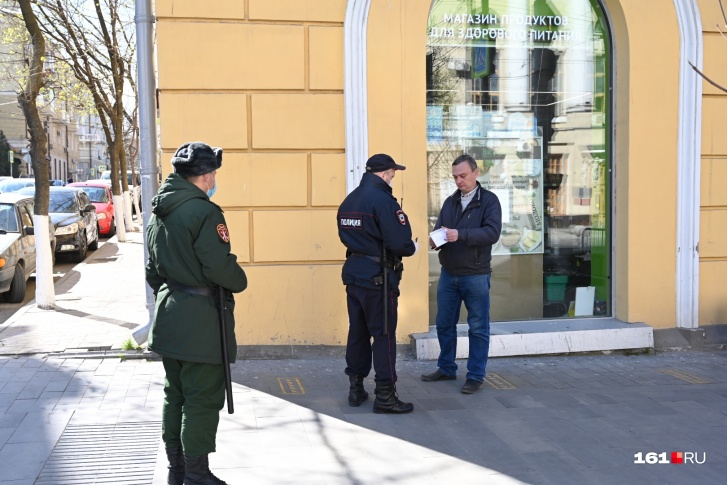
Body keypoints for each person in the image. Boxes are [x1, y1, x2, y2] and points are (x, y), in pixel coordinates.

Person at [146, 141, 247, 485]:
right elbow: (218, 266)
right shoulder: (204, 212)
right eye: (213, 172)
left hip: (169, 315)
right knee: (202, 399)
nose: (215, 178)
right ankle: (196, 474)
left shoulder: (160, 209)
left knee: (174, 394)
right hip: (201, 321)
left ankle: (177, 469)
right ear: (205, 176)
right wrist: (239, 278)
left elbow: (152, 269)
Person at [337, 153, 418, 414]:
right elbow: (400, 244)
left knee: (358, 332)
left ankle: (356, 387)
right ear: (384, 174)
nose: (393, 178)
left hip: (354, 275)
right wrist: (413, 246)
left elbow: (346, 236)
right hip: (378, 279)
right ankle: (385, 395)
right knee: (383, 336)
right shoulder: (384, 202)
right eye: (392, 174)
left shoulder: (349, 200)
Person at [421, 154, 502, 394]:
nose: (459, 181)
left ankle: (476, 375)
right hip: (449, 273)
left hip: (475, 274)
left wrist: (461, 234)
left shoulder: (489, 201)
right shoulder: (450, 202)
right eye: (455, 176)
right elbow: (441, 230)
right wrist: (435, 241)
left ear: (476, 173)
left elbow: (492, 233)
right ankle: (446, 367)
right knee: (444, 324)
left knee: (478, 327)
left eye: (463, 176)